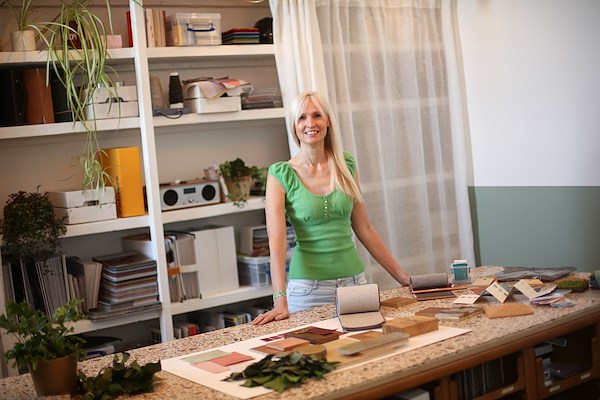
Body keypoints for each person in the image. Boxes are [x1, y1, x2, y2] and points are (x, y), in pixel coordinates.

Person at [252, 91, 411, 325]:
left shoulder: (346, 165)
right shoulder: (280, 174)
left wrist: (404, 278)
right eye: (302, 117)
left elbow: (365, 229)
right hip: (307, 290)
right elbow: (277, 243)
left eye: (317, 115)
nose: (310, 123)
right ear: (294, 126)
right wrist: (280, 300)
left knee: (365, 345)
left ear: (327, 121)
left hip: (355, 284)